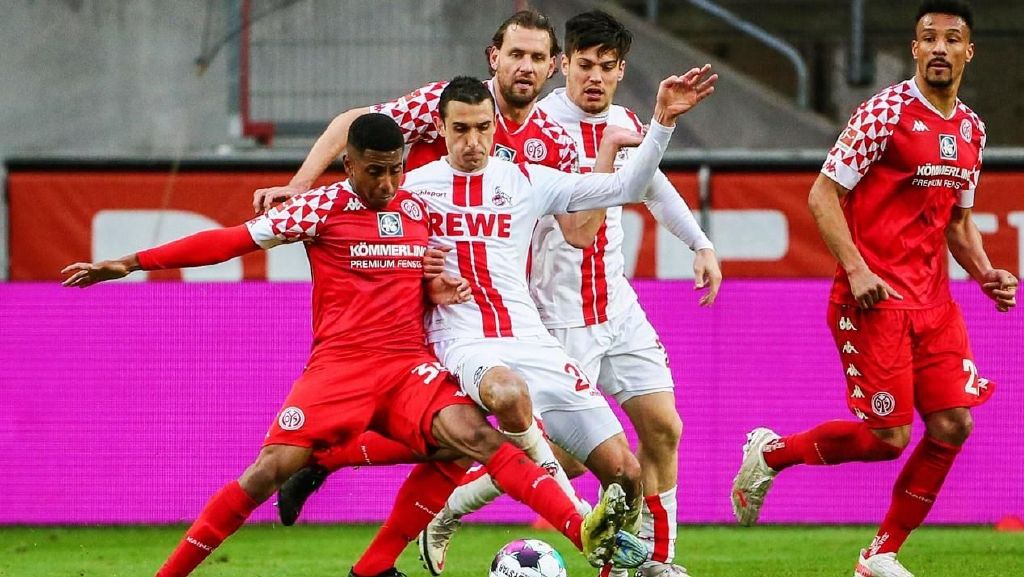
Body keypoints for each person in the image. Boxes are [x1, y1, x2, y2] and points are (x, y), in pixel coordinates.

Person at [60, 113, 642, 577]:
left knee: (473, 439)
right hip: (339, 369)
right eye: (375, 172)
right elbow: (230, 242)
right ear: (350, 164)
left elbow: (439, 269)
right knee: (267, 471)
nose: (387, 184)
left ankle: (581, 530)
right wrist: (131, 262)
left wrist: (438, 287)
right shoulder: (322, 207)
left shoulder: (417, 208)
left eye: (396, 170)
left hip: (407, 366)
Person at [262, 10, 599, 521]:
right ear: (495, 57)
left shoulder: (554, 140)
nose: (525, 66)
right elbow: (352, 126)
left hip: (495, 305)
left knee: (521, 447)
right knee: (454, 428)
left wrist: (612, 161)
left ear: (553, 65)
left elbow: (578, 233)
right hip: (416, 291)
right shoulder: (445, 103)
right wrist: (301, 184)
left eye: (536, 57)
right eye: (515, 54)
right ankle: (394, 511)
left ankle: (337, 463)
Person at [419, 11, 722, 577]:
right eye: (585, 65)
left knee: (664, 427)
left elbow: (651, 185)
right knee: (568, 460)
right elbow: (579, 231)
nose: (595, 78)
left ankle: (658, 561)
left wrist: (699, 242)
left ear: (622, 70)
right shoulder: (540, 129)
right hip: (557, 313)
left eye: (608, 67)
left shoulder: (625, 119)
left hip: (616, 304)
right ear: (564, 66)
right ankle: (450, 507)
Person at [730, 2, 1016, 576]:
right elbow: (822, 194)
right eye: (928, 38)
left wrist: (985, 272)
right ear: (915, 49)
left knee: (954, 423)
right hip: (875, 300)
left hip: (935, 305)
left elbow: (958, 222)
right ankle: (770, 453)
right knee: (888, 437)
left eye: (951, 39)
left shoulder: (972, 129)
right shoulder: (884, 113)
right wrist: (858, 269)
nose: (939, 48)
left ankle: (880, 554)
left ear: (969, 51)